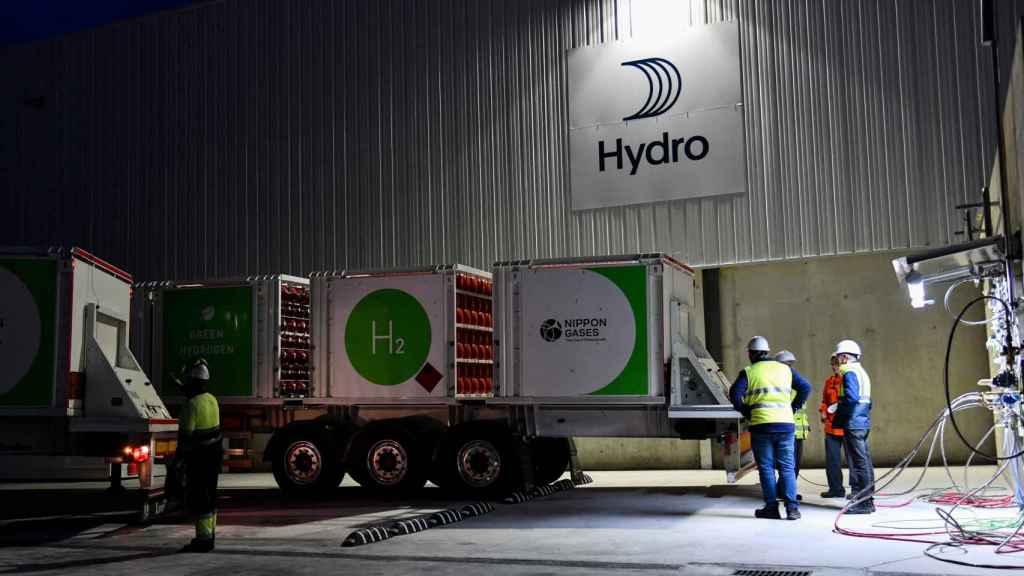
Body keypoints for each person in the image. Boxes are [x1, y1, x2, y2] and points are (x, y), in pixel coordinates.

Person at [729, 336, 812, 520]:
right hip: (785, 425)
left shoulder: (749, 372)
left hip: (761, 426)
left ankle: (771, 508)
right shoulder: (785, 369)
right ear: (767, 352)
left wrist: (746, 411)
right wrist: (793, 407)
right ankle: (792, 509)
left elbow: (734, 395)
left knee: (766, 467)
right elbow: (806, 387)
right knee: (787, 468)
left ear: (750, 354)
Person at [174, 359, 223, 552]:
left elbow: (185, 438)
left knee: (200, 499)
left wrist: (177, 462)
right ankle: (209, 536)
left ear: (193, 382)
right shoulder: (212, 399)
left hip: (199, 460)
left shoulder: (191, 405)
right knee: (210, 497)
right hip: (214, 458)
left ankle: (202, 540)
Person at [831, 339, 875, 514]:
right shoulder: (861, 372)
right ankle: (867, 499)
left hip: (853, 423)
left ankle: (864, 503)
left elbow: (850, 399)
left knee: (859, 463)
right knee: (865, 461)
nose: (838, 360)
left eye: (839, 356)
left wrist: (839, 419)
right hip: (862, 421)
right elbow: (868, 401)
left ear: (844, 357)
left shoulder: (849, 372)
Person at [773, 350, 808, 501]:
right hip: (788, 430)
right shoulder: (782, 384)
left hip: (798, 431)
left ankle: (786, 490)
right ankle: (785, 492)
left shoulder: (795, 382)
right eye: (787, 364)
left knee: (793, 465)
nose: (790, 367)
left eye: (791, 364)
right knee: (787, 465)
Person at [818, 353, 847, 498]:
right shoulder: (829, 382)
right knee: (832, 460)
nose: (835, 366)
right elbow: (824, 400)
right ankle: (836, 489)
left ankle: (858, 491)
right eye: (833, 364)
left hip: (847, 426)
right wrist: (823, 411)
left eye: (837, 363)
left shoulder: (849, 379)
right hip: (831, 426)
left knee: (854, 460)